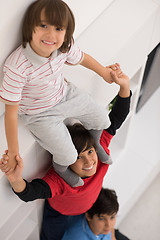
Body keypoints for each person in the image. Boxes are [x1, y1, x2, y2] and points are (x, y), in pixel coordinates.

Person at [0, 0, 124, 187]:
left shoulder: (62, 46)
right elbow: (10, 114)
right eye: (43, 26)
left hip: (65, 94)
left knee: (102, 119)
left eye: (59, 28)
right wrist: (13, 152)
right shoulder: (17, 67)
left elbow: (83, 58)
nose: (51, 34)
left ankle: (96, 143)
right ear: (29, 27)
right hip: (39, 114)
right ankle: (62, 169)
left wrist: (104, 72)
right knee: (68, 154)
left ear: (66, 32)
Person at [0, 70, 131, 240]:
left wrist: (125, 85)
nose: (88, 161)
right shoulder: (60, 180)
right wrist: (15, 178)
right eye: (78, 157)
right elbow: (31, 192)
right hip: (59, 211)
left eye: (90, 152)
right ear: (67, 161)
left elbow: (117, 118)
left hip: (89, 202)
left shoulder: (100, 150)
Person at [62, 188, 130, 240]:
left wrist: (112, 237)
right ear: (88, 216)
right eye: (101, 219)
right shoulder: (75, 237)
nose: (108, 225)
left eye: (112, 217)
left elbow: (110, 227)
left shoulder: (106, 227)